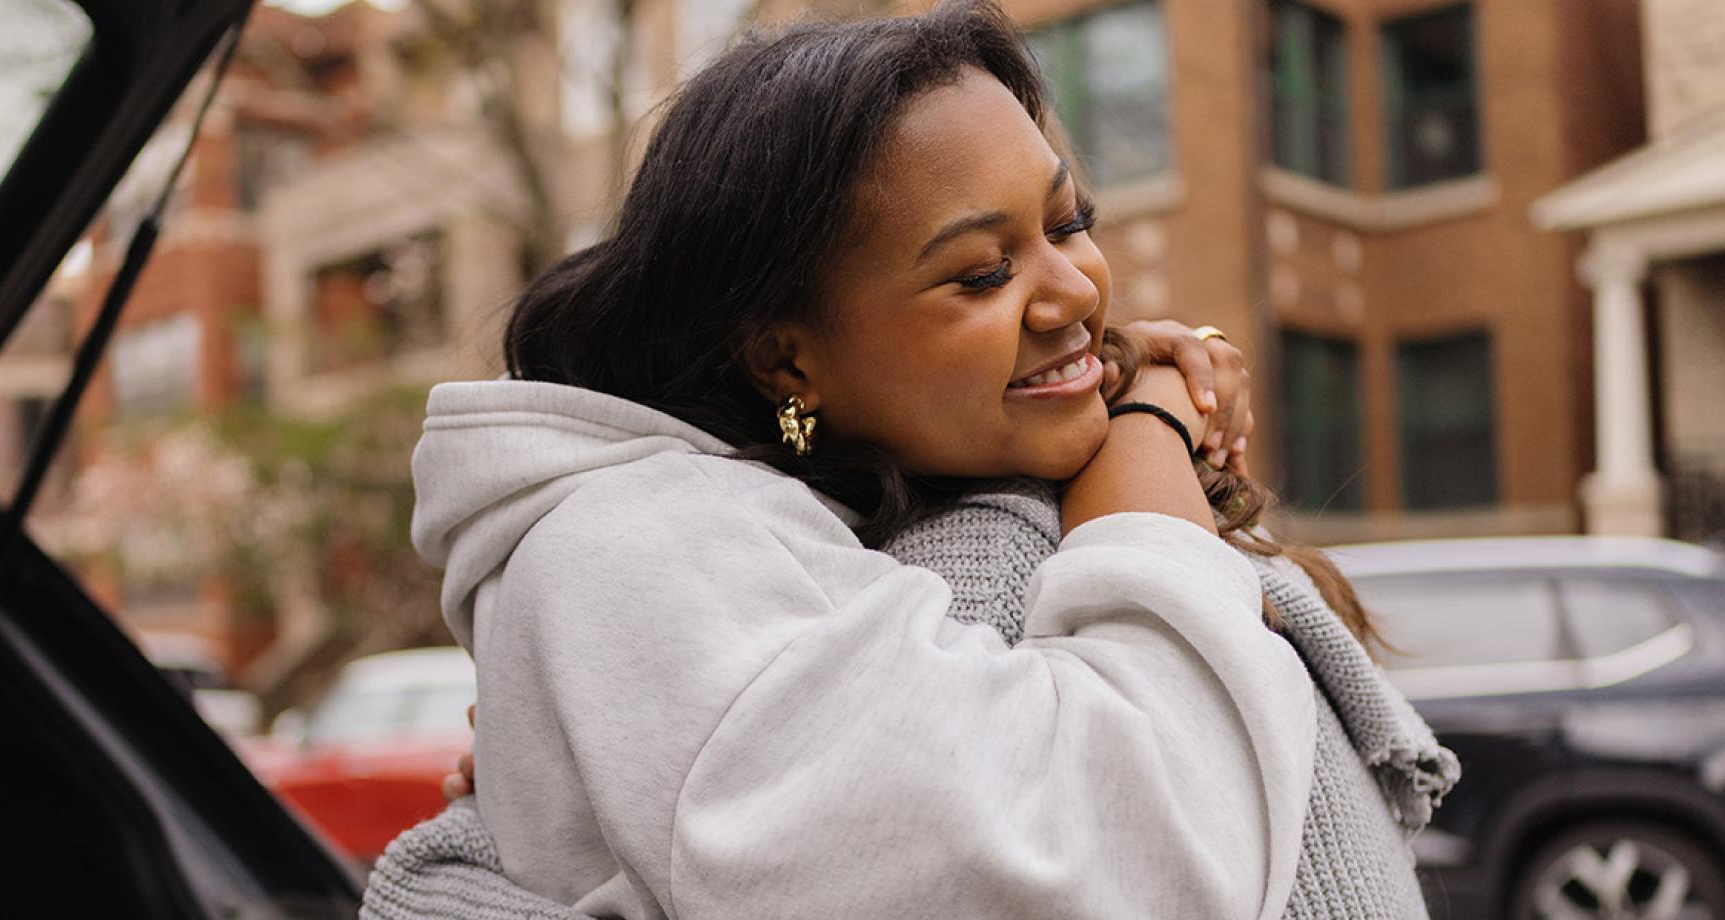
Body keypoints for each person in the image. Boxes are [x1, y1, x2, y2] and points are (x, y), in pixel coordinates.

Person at [374, 2, 1453, 917]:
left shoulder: (898, 520)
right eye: (981, 272)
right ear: (787, 358)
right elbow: (1138, 851)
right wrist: (1152, 429)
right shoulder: (639, 543)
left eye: (1069, 220)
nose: (1077, 291)